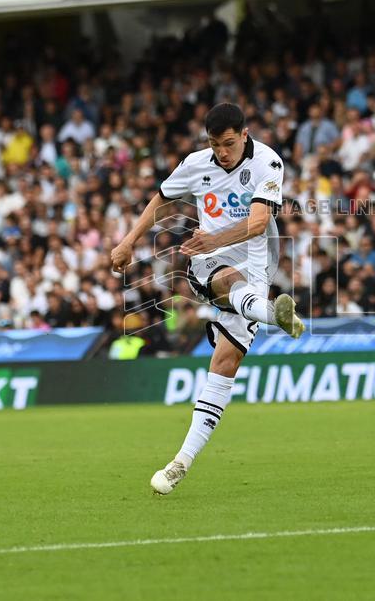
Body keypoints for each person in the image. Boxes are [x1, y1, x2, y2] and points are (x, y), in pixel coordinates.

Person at [109, 103, 305, 495]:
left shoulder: (268, 162)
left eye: (229, 143)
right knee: (226, 279)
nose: (222, 153)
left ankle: (181, 462)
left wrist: (213, 236)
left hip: (256, 267)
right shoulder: (196, 164)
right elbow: (161, 199)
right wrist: (129, 240)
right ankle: (272, 314)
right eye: (215, 145)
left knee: (225, 363)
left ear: (244, 135)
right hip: (209, 262)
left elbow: (259, 223)